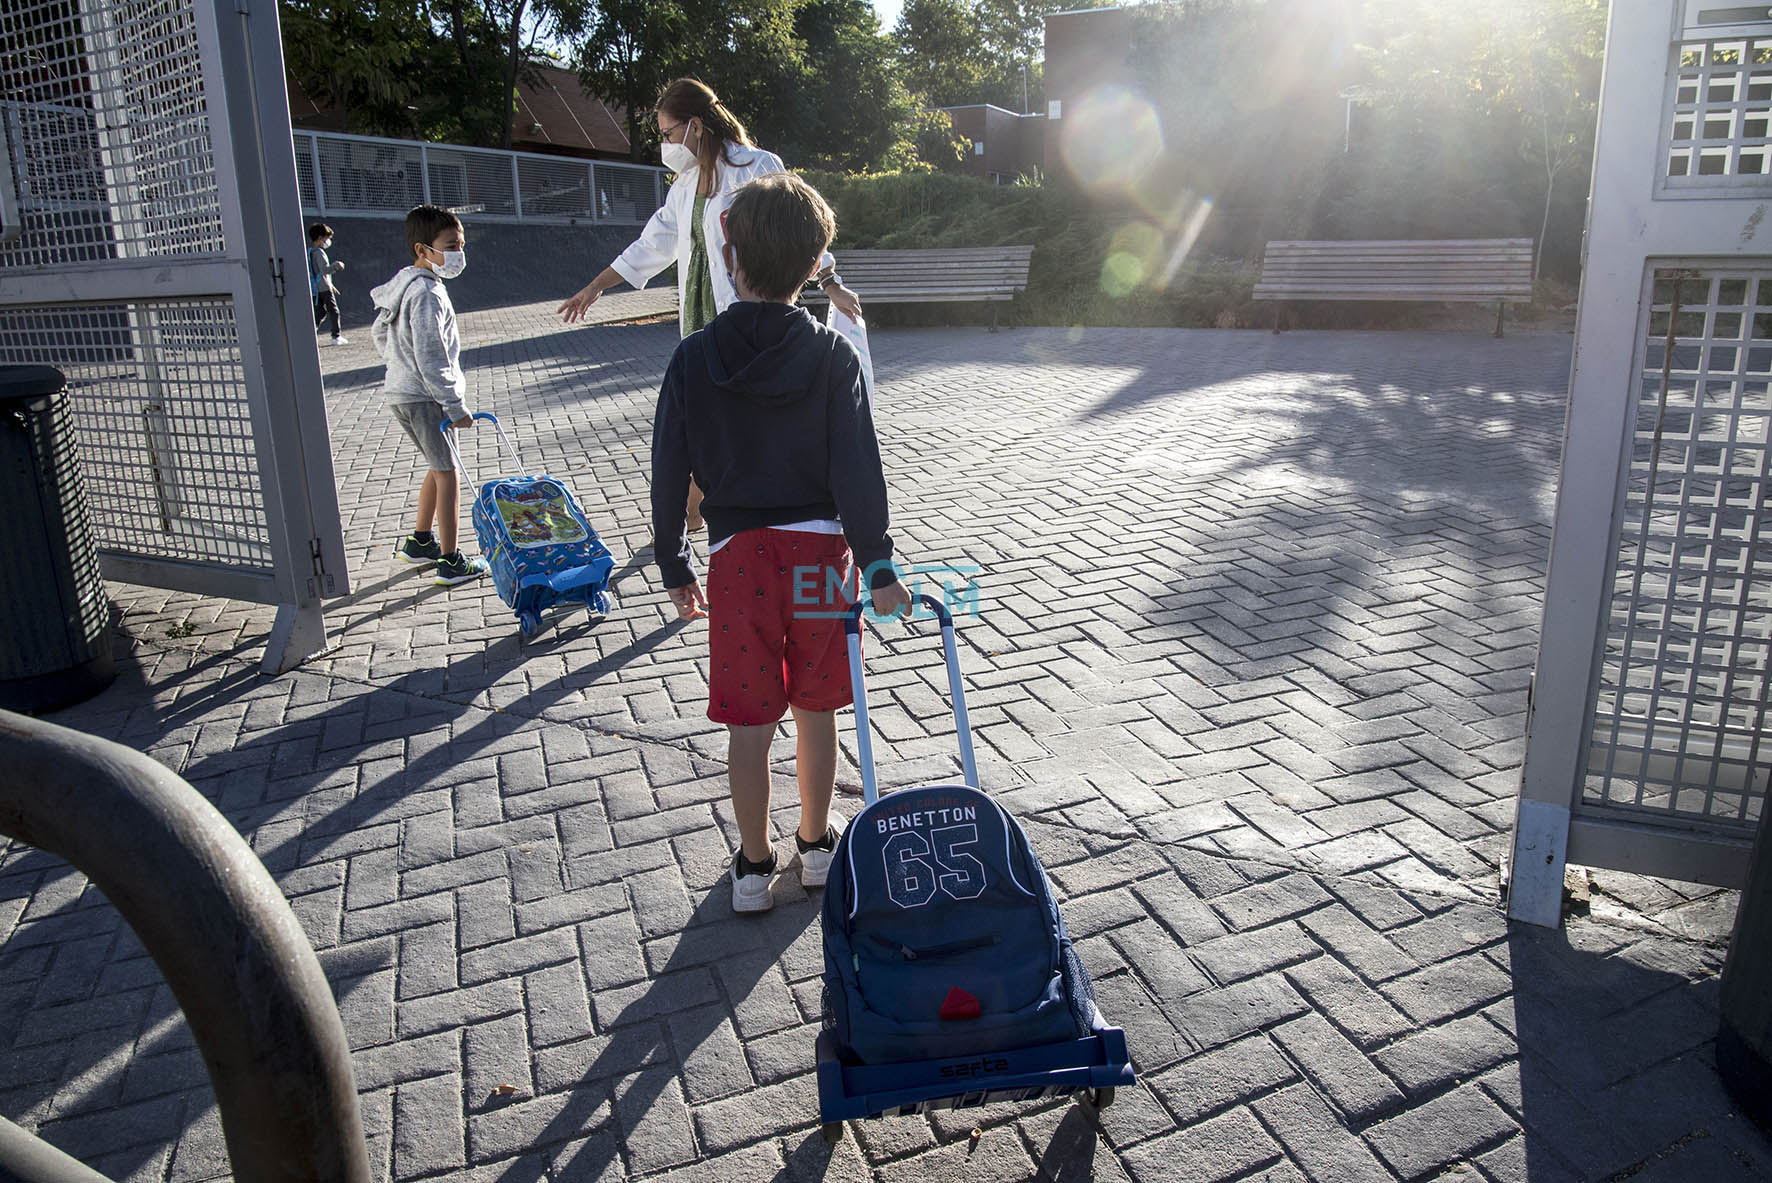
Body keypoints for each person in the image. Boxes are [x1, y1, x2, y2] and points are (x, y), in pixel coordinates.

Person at [650, 173, 912, 915]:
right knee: (818, 706)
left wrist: (673, 560)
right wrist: (880, 562)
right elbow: (858, 466)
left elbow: (670, 465)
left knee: (750, 718)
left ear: (731, 258)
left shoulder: (694, 356)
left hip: (737, 562)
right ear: (813, 263)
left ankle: (752, 864)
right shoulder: (831, 355)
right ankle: (817, 844)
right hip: (818, 556)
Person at [560, 77, 865, 531]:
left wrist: (831, 282)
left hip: (749, 312)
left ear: (696, 126)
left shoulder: (756, 166)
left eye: (667, 133)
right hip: (700, 320)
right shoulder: (684, 186)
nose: (664, 144)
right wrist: (596, 286)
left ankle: (740, 508)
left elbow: (796, 226)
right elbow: (652, 244)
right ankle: (691, 513)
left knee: (744, 412)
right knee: (702, 413)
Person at [369, 205, 489, 587]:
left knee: (438, 466)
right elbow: (431, 354)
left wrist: (397, 366)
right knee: (449, 474)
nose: (458, 253)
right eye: (450, 245)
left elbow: (378, 334)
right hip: (424, 397)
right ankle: (451, 560)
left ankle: (421, 541)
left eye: (461, 244)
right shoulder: (427, 293)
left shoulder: (404, 285)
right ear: (423, 249)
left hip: (402, 393)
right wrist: (455, 407)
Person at [308, 223, 347, 345]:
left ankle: (311, 333)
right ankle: (336, 336)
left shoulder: (311, 252)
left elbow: (317, 272)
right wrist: (337, 265)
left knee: (320, 312)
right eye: (327, 238)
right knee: (334, 311)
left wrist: (331, 285)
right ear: (320, 238)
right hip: (324, 288)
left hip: (317, 288)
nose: (328, 241)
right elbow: (324, 270)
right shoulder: (320, 253)